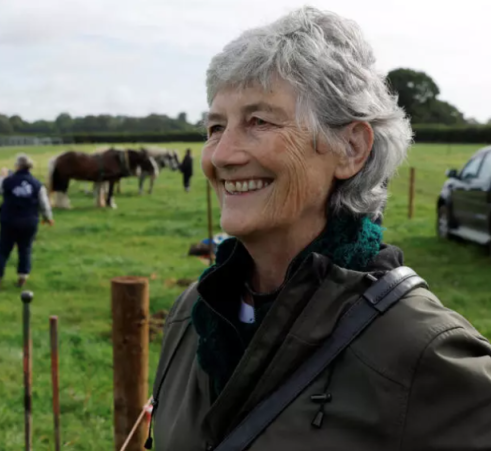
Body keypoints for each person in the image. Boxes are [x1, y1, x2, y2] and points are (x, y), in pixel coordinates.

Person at [149, 7, 491, 451]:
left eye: (259, 122)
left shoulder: (423, 352)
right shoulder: (193, 314)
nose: (221, 155)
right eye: (216, 127)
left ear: (350, 148)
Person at [0, 154, 54, 292]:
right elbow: (44, 203)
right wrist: (48, 217)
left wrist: (1, 177)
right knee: (25, 249)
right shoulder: (37, 184)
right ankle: (22, 277)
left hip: (9, 221)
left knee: (3, 250)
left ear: (17, 166)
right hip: (29, 221)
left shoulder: (8, 181)